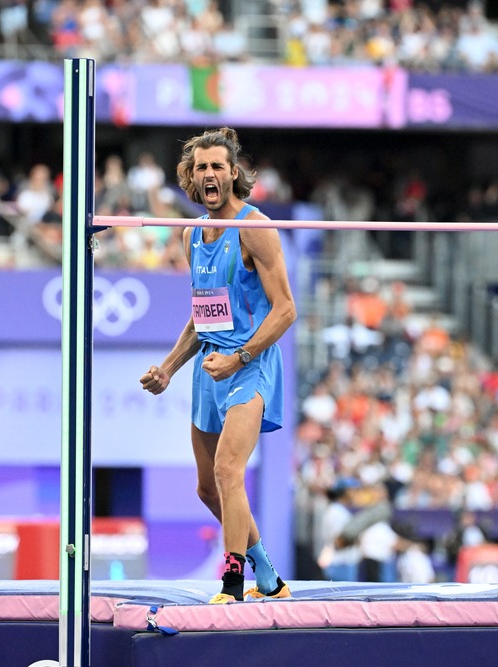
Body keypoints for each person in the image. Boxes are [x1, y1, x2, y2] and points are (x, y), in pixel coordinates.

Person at [139, 127, 297, 604]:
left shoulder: (254, 227)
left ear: (233, 174)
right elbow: (203, 314)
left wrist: (240, 357)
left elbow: (286, 308)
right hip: (210, 368)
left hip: (250, 365)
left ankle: (232, 584)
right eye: (200, 168)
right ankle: (267, 575)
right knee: (209, 489)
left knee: (231, 471)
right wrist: (168, 367)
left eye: (217, 167)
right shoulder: (191, 235)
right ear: (190, 177)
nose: (209, 175)